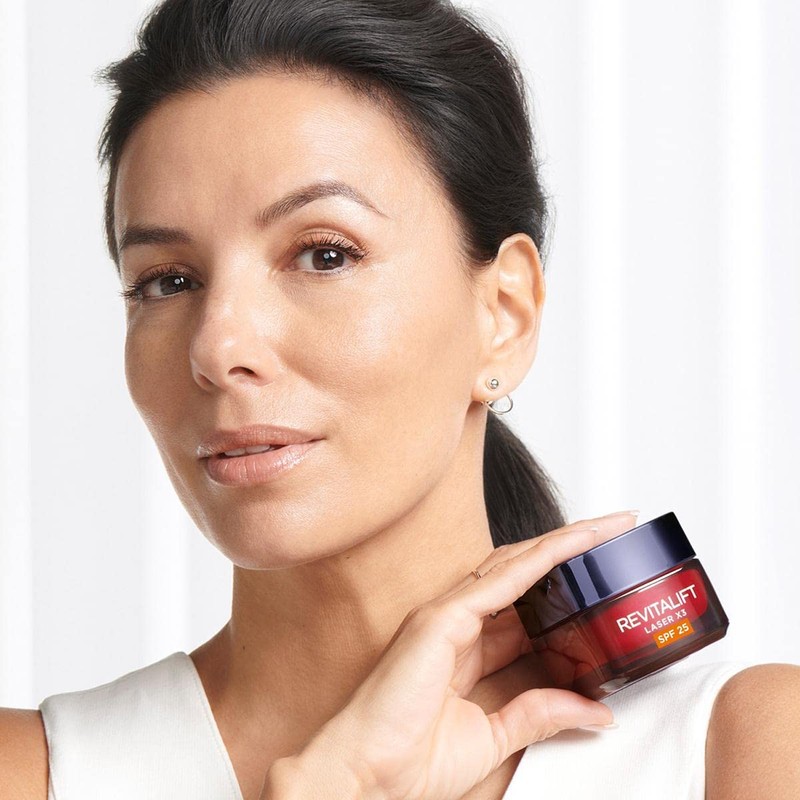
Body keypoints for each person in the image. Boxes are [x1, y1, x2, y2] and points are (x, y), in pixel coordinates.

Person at [2, 1, 798, 798]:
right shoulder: (30, 771)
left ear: (504, 315)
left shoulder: (748, 751)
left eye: (324, 255)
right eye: (167, 281)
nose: (216, 347)